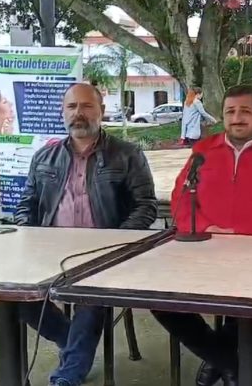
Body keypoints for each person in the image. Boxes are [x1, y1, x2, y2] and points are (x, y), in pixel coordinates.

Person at [152, 84, 252, 386]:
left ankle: (225, 363)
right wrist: (206, 229)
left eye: (245, 111)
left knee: (248, 299)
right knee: (160, 299)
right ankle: (225, 360)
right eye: (230, 112)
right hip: (205, 250)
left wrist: (239, 234)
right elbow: (181, 199)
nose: (237, 118)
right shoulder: (203, 151)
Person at [15, 83, 158, 386]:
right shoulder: (44, 157)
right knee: (15, 297)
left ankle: (67, 376)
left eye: (86, 106)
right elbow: (27, 204)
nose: (78, 113)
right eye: (72, 106)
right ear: (63, 112)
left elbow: (146, 207)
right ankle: (73, 343)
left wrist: (114, 243)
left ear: (101, 111)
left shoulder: (127, 154)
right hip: (50, 252)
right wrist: (27, 235)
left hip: (104, 256)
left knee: (91, 298)